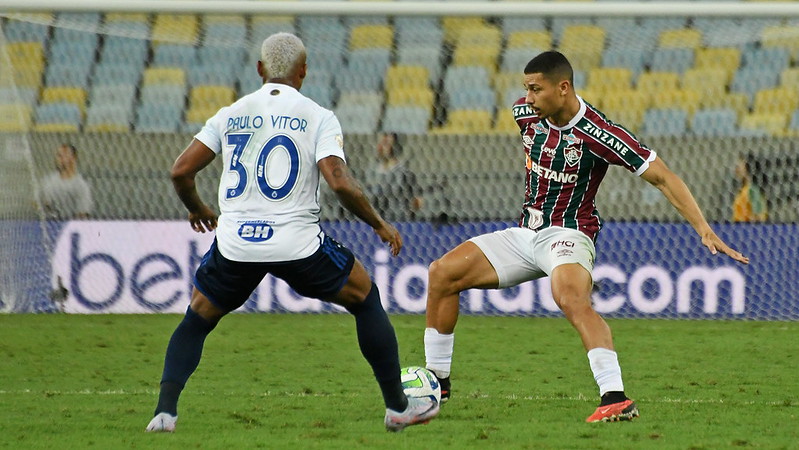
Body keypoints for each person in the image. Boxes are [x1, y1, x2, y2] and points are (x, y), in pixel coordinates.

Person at [423, 51, 750, 423]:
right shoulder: (525, 115)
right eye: (525, 89)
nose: (527, 98)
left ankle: (615, 398)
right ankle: (437, 383)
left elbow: (663, 176)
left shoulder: (599, 133)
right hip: (525, 233)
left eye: (535, 89)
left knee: (570, 297)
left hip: (569, 233)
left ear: (563, 88)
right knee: (441, 273)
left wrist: (703, 228)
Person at [146, 33, 438, 433]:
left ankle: (164, 414)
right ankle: (398, 407)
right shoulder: (318, 115)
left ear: (260, 70)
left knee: (197, 318)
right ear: (304, 71)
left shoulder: (231, 113)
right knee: (366, 298)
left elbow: (180, 171)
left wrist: (198, 209)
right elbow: (338, 181)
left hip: (236, 244)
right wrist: (378, 223)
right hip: (297, 243)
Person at [364, 132, 423, 221]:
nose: (380, 147)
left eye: (385, 143)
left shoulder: (405, 174)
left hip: (398, 220)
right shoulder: (370, 172)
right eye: (380, 143)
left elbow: (417, 201)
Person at [40, 143, 92, 219]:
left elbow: (83, 213)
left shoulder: (81, 184)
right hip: (50, 222)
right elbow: (38, 202)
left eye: (64, 156)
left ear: (73, 158)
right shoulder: (49, 181)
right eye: (58, 155)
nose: (59, 159)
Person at [732, 153, 768, 222]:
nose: (736, 170)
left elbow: (759, 216)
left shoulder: (752, 190)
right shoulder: (744, 189)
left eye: (739, 167)